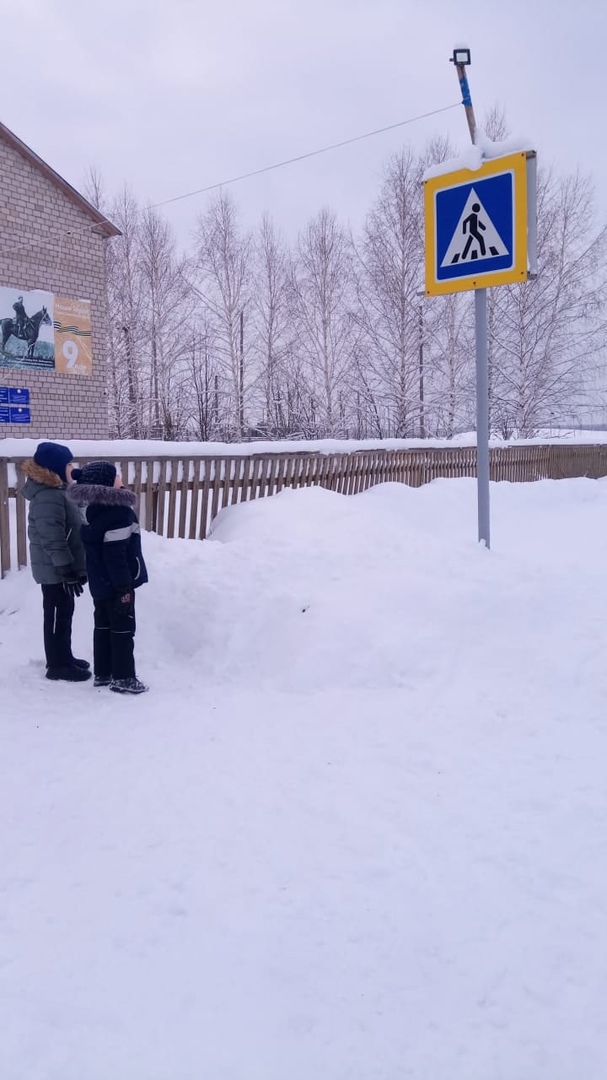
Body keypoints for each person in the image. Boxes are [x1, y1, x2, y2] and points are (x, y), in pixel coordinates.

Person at [69, 461, 148, 694]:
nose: (121, 478)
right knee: (123, 628)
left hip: (100, 582)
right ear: (106, 483)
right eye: (116, 476)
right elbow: (115, 555)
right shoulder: (119, 512)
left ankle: (103, 673)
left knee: (102, 626)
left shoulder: (92, 509)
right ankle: (124, 677)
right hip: (118, 583)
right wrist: (124, 588)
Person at [22, 441, 91, 682]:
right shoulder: (47, 497)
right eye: (68, 464)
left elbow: (75, 523)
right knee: (55, 614)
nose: (72, 468)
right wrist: (65, 569)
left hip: (63, 566)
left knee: (65, 612)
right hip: (54, 569)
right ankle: (57, 665)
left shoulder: (60, 491)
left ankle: (65, 656)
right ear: (55, 468)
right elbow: (53, 538)